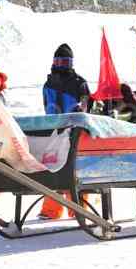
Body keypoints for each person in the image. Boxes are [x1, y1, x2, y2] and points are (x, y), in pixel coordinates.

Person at [38, 43, 90, 220]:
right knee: (53, 167)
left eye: (65, 61)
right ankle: (51, 210)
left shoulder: (79, 82)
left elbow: (86, 106)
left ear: (71, 63)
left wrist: (80, 109)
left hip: (75, 130)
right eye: (58, 61)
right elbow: (47, 106)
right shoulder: (48, 83)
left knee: (74, 168)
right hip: (54, 129)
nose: (61, 65)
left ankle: (78, 208)